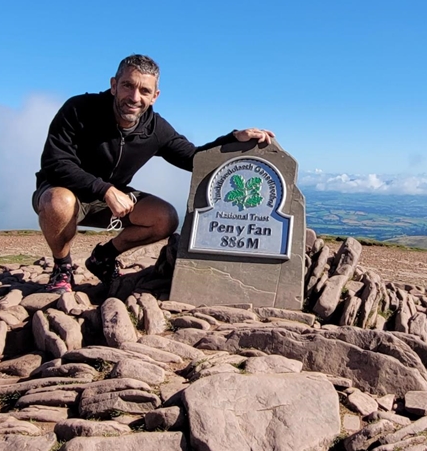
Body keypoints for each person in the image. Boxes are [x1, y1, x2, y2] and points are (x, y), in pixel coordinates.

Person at [32, 54, 274, 293]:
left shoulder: (156, 129)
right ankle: (62, 268)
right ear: (114, 85)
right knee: (58, 202)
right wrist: (105, 190)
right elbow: (56, 162)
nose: (134, 97)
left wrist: (233, 139)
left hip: (111, 198)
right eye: (128, 85)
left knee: (165, 218)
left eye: (144, 91)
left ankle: (103, 258)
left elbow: (193, 158)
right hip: (65, 190)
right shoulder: (79, 109)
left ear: (155, 96)